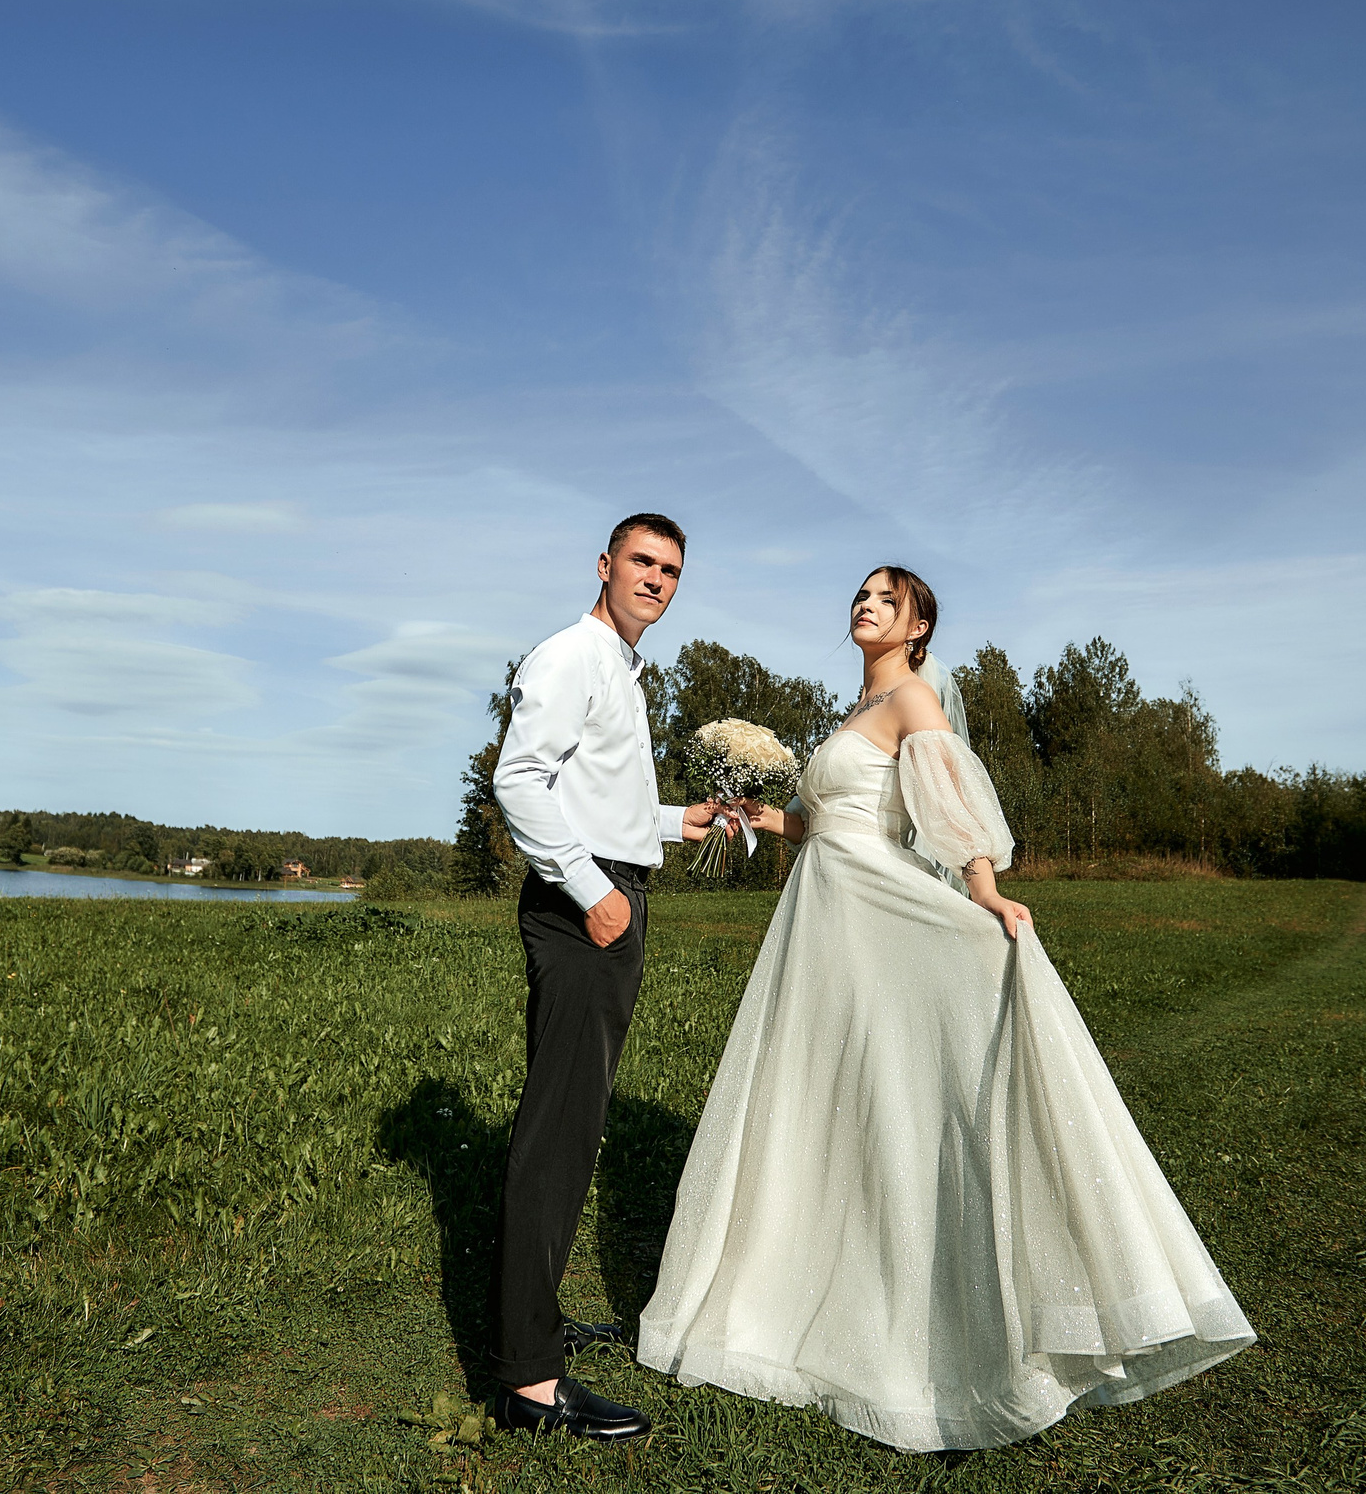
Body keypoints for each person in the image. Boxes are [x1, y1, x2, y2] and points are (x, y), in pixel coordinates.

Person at [635, 566, 1255, 1452]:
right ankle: (792, 1283)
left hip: (879, 909)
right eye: (861, 595)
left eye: (887, 600)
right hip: (822, 919)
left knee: (893, 1093)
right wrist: (763, 818)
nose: (866, 606)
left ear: (918, 626)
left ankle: (929, 1321)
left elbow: (952, 807)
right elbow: (823, 823)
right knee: (824, 1094)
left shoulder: (913, 699)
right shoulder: (856, 710)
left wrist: (985, 892)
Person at [486, 513, 724, 1441]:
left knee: (575, 1127)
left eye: (671, 570)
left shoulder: (621, 667)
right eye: (642, 561)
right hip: (583, 909)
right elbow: (520, 780)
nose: (656, 579)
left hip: (612, 897)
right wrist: (595, 894)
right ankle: (529, 1380)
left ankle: (534, 1326)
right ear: (604, 564)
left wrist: (671, 822)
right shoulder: (571, 656)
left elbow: (595, 791)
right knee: (556, 1134)